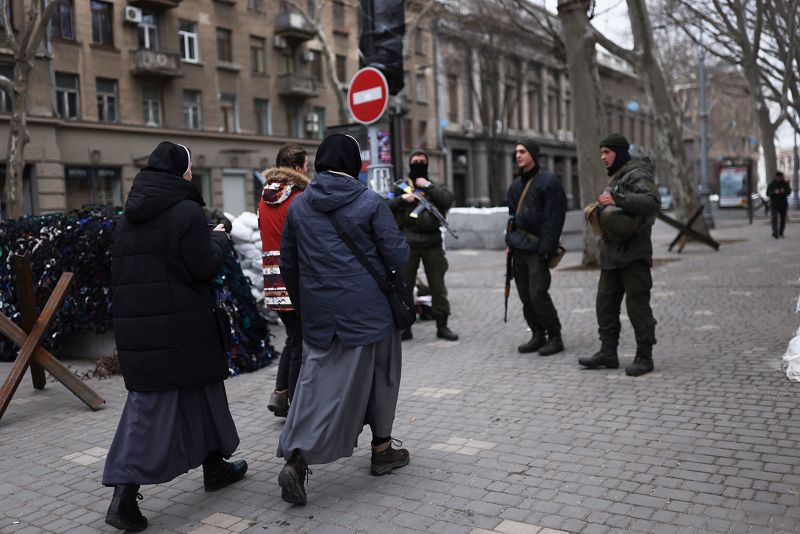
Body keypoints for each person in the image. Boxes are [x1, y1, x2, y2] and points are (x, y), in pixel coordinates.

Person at [103, 141, 247, 532]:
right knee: (151, 412)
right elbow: (203, 267)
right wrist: (219, 239)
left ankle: (215, 466)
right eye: (188, 167)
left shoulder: (127, 217)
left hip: (144, 328)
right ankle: (123, 498)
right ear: (180, 171)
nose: (191, 173)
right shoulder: (186, 211)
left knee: (204, 393)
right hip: (182, 326)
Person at [276, 133, 410, 505]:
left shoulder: (298, 207)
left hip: (321, 316)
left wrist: (306, 307)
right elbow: (397, 254)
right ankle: (382, 450)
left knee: (316, 387)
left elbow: (288, 265)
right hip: (370, 314)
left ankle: (297, 461)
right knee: (381, 378)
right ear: (353, 163)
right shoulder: (370, 202)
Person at [579, 133, 660, 377]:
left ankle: (644, 356)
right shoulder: (617, 176)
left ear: (620, 153)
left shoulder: (638, 173)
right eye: (601, 152)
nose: (603, 157)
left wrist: (617, 199)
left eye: (607, 152)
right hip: (612, 254)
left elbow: (651, 202)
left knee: (637, 306)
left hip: (634, 254)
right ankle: (608, 352)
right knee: (605, 305)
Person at [258, 144, 310, 418]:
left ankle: (280, 394)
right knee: (300, 340)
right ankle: (295, 401)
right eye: (307, 166)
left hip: (272, 281)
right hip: (294, 276)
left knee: (293, 337)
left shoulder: (264, 197)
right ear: (299, 167)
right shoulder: (300, 198)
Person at [506, 138, 567, 356]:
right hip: (519, 250)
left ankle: (555, 337)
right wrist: (509, 243)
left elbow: (554, 218)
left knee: (538, 294)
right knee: (525, 296)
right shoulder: (515, 186)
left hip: (538, 250)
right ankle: (538, 334)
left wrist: (546, 249)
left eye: (523, 151)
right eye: (516, 152)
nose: (518, 155)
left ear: (533, 154)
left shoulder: (549, 182)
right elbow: (512, 218)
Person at [389, 150, 458, 341]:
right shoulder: (401, 187)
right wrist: (403, 199)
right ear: (409, 164)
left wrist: (427, 185)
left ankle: (442, 325)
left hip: (432, 242)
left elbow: (448, 200)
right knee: (405, 287)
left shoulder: (433, 187)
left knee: (438, 287)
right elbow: (385, 206)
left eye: (422, 162)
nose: (418, 164)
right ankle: (405, 327)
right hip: (408, 243)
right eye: (415, 161)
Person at [767, 171, 791, 238]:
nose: (779, 178)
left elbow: (789, 191)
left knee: (782, 219)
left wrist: (784, 191)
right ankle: (775, 232)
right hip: (774, 204)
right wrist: (774, 192)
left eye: (780, 177)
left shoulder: (785, 183)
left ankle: (781, 232)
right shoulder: (771, 184)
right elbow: (768, 193)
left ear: (782, 177)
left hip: (783, 204)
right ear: (776, 177)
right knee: (774, 218)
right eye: (778, 177)